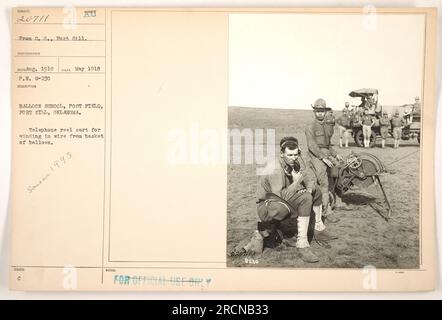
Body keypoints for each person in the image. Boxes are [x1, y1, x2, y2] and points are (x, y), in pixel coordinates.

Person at [240, 137, 337, 263]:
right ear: (282, 154)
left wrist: (308, 188)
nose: (293, 158)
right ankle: (302, 244)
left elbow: (308, 177)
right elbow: (279, 197)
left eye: (296, 154)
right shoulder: (275, 168)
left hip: (281, 199)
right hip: (267, 207)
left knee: (316, 192)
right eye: (290, 155)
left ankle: (318, 228)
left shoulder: (294, 161)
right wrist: (297, 183)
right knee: (305, 199)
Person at [305, 98, 344, 223]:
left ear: (325, 111)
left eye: (322, 111)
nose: (320, 113)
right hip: (315, 156)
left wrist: (335, 154)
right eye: (317, 111)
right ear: (314, 112)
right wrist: (323, 158)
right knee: (323, 181)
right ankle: (326, 211)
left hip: (326, 154)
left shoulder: (327, 126)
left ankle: (333, 200)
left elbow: (328, 144)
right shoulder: (310, 127)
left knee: (338, 171)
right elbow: (312, 146)